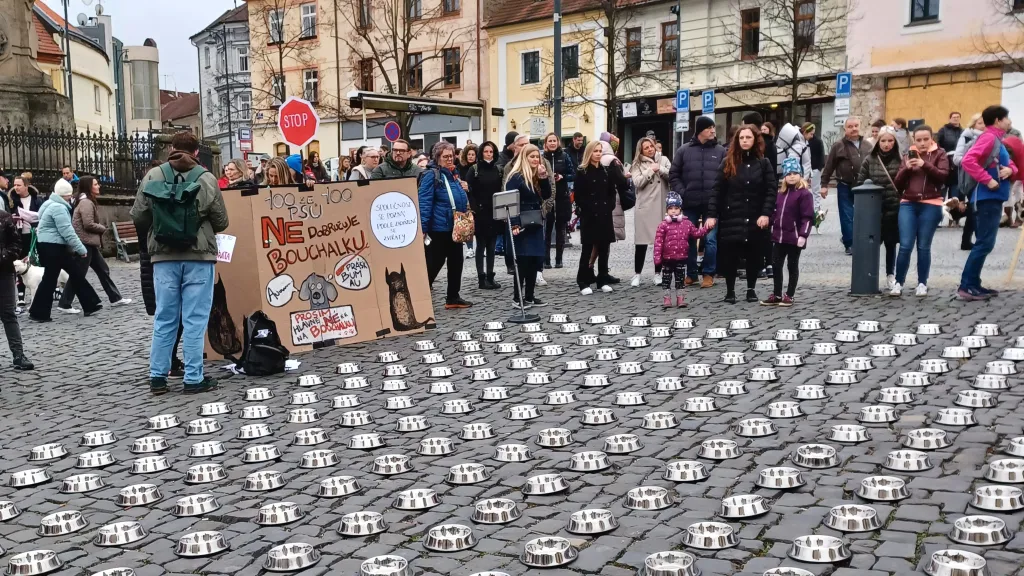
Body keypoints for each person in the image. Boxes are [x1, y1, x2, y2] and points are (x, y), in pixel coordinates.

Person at [131, 131, 228, 395]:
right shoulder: (206, 178)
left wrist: (161, 226)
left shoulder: (153, 176)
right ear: (197, 152)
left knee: (165, 317)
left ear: (171, 149)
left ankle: (158, 377)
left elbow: (138, 216)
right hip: (199, 257)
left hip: (164, 257)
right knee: (195, 319)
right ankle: (194, 378)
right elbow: (221, 222)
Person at [706, 124, 777, 304]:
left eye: (748, 138)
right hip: (732, 215)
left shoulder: (763, 163)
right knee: (730, 255)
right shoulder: (727, 162)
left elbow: (771, 190)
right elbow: (717, 190)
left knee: (754, 253)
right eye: (742, 138)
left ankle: (751, 289)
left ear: (755, 140)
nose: (745, 141)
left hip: (755, 215)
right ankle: (730, 290)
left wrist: (766, 213)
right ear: (737, 141)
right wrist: (712, 214)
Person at [958, 106, 1017, 301]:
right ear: (998, 120)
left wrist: (1010, 170)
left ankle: (974, 283)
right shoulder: (989, 137)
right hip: (986, 197)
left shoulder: (997, 140)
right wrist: (987, 179)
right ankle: (967, 286)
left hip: (993, 197)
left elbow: (1008, 163)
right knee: (984, 243)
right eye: (1006, 118)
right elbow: (968, 160)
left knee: (985, 243)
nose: (1009, 121)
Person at [27, 179, 102, 322]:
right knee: (64, 276)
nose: (71, 197)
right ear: (64, 195)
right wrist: (80, 249)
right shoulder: (59, 208)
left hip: (47, 245)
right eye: (69, 195)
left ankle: (90, 303)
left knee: (65, 275)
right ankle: (39, 312)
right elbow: (67, 231)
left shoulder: (48, 204)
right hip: (54, 247)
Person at [891, 125, 950, 298]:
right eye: (919, 140)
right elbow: (897, 184)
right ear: (913, 140)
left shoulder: (940, 154)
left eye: (926, 139)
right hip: (908, 203)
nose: (922, 143)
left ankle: (922, 283)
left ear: (932, 138)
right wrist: (906, 168)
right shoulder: (907, 155)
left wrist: (925, 165)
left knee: (924, 246)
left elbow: (942, 176)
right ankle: (898, 283)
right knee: (905, 245)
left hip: (931, 203)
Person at [57, 176, 131, 312]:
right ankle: (65, 303)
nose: (99, 186)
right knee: (79, 274)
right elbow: (88, 224)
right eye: (96, 184)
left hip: (89, 242)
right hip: (85, 242)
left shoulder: (87, 201)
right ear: (89, 187)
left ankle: (115, 298)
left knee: (103, 270)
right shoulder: (86, 203)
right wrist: (102, 228)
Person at [669, 116, 725, 288]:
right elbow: (674, 174)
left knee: (710, 239)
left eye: (713, 127)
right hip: (690, 202)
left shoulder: (720, 151)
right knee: (689, 239)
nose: (713, 131)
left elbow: (727, 175)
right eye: (709, 128)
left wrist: (720, 194)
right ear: (700, 130)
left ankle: (708, 273)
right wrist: (683, 193)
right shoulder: (684, 150)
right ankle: (691, 274)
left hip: (712, 203)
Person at [419, 141, 472, 309]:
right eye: (445, 157)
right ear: (437, 157)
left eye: (451, 156)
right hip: (439, 227)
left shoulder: (453, 174)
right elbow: (425, 202)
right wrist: (423, 227)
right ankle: (419, 295)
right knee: (435, 262)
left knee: (456, 261)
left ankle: (453, 297)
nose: (450, 159)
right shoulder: (431, 175)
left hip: (453, 226)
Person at [575, 140, 626, 295]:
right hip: (590, 216)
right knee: (587, 249)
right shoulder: (582, 171)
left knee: (604, 248)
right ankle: (583, 281)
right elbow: (579, 195)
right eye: (595, 151)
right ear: (589, 153)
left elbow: (612, 191)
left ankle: (602, 279)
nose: (598, 154)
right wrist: (589, 208)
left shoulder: (605, 170)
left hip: (604, 214)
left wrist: (609, 205)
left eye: (600, 151)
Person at [504, 144, 552, 308]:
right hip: (521, 222)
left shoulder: (536, 176)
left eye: (537, 156)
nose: (535, 159)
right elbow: (510, 202)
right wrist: (514, 223)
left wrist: (544, 178)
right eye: (531, 156)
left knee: (534, 259)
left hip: (536, 221)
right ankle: (518, 298)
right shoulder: (515, 177)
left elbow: (546, 195)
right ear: (524, 158)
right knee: (522, 260)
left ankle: (530, 296)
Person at [762, 157, 814, 306]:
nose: (792, 176)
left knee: (792, 265)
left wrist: (803, 234)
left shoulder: (804, 194)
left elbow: (808, 216)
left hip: (795, 237)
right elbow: (775, 213)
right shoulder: (781, 194)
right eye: (788, 173)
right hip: (779, 236)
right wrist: (768, 222)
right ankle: (777, 293)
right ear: (784, 177)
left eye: (795, 173)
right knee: (776, 265)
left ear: (800, 175)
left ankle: (789, 294)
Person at [857, 127, 903, 291]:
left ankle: (891, 275)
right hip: (874, 209)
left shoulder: (900, 159)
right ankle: (869, 276)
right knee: (872, 245)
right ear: (878, 142)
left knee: (891, 245)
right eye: (883, 141)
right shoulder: (870, 159)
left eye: (890, 141)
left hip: (894, 208)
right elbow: (860, 182)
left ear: (895, 142)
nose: (886, 144)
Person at [822, 117, 870, 255]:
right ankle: (849, 243)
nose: (854, 128)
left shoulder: (867, 145)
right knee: (846, 215)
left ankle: (862, 240)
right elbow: (829, 165)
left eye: (856, 125)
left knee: (863, 215)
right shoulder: (838, 145)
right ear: (845, 129)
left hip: (863, 186)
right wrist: (824, 184)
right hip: (844, 185)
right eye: (850, 126)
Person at [630, 136, 671, 287]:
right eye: (646, 147)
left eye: (651, 146)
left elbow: (672, 175)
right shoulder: (637, 164)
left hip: (660, 206)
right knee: (641, 243)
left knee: (659, 243)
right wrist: (649, 171)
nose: (649, 149)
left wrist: (659, 168)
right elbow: (637, 182)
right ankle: (637, 274)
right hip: (645, 207)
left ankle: (657, 273)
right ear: (641, 150)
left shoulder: (664, 159)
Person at [653, 192, 707, 308]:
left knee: (680, 280)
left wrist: (705, 229)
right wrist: (657, 257)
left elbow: (696, 233)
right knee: (666, 280)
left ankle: (680, 299)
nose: (673, 211)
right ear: (667, 210)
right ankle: (667, 299)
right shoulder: (663, 225)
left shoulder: (686, 223)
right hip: (667, 258)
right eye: (671, 208)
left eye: (676, 208)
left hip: (681, 257)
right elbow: (658, 242)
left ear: (680, 209)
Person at [466, 141, 503, 290]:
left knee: (492, 246)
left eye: (491, 152)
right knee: (481, 245)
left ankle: (490, 275)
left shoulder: (498, 170)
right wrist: (474, 208)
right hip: (480, 212)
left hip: (494, 212)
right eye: (486, 152)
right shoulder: (474, 170)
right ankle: (481, 277)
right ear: (481, 153)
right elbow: (469, 190)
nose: (489, 154)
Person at [0, 208, 32, 369]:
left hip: (4, 271)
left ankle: (19, 355)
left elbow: (16, 243)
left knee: (8, 313)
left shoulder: (4, 217)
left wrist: (3, 255)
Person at [954, 113, 986, 248]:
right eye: (980, 123)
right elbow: (957, 159)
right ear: (973, 125)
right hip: (970, 178)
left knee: (976, 210)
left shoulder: (990, 138)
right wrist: (973, 162)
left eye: (985, 123)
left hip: (984, 177)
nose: (983, 126)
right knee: (975, 210)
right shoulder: (967, 136)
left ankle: (967, 241)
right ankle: (976, 241)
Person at [542, 133, 573, 270]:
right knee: (546, 230)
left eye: (555, 141)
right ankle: (546, 259)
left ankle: (559, 259)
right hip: (547, 197)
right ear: (546, 143)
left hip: (562, 197)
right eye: (550, 141)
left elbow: (573, 174)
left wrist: (562, 176)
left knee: (561, 229)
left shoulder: (564, 156)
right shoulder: (542, 158)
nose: (553, 143)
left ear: (558, 142)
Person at [803, 122, 827, 221]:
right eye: (810, 133)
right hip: (805, 168)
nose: (812, 135)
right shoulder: (802, 141)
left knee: (815, 191)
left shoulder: (817, 142)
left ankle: (817, 212)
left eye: (813, 133)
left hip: (815, 168)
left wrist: (819, 168)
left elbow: (821, 155)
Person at [937, 112, 964, 198]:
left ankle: (954, 208)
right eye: (954, 117)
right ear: (950, 119)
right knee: (943, 187)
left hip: (958, 163)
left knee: (955, 188)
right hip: (945, 160)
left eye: (957, 117)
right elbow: (937, 143)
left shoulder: (963, 132)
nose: (956, 119)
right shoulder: (943, 130)